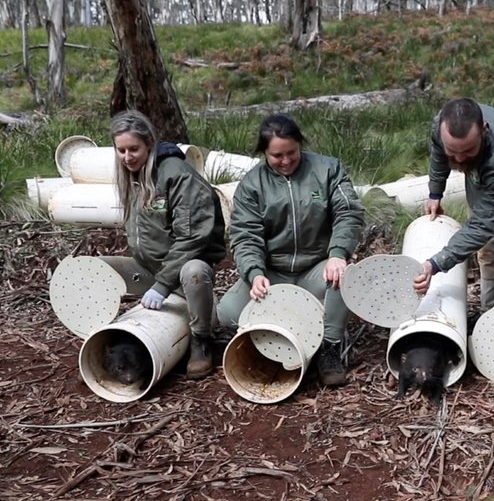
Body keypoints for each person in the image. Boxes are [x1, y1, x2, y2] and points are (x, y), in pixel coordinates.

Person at [216, 114, 365, 387]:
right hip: (273, 272)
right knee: (226, 314)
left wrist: (338, 253)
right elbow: (245, 234)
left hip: (316, 267)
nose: (285, 161)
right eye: (277, 155)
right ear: (264, 153)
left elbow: (348, 213)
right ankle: (286, 328)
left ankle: (328, 348)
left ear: (300, 145)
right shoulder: (252, 184)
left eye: (291, 153)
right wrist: (254, 273)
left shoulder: (328, 170)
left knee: (346, 278)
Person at [101, 110, 227, 379]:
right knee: (89, 270)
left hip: (180, 276)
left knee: (195, 271)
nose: (127, 157)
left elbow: (192, 237)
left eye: (134, 149)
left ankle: (201, 341)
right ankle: (105, 343)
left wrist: (162, 285)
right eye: (121, 151)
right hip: (147, 270)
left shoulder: (176, 175)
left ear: (149, 143)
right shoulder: (130, 174)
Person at [412, 97, 494, 313]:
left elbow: (483, 225)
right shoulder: (440, 126)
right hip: (483, 171)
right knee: (475, 237)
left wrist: (435, 264)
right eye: (452, 151)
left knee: (489, 247)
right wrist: (435, 193)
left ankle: (492, 314)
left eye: (467, 150)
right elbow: (438, 155)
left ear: (484, 130)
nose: (460, 159)